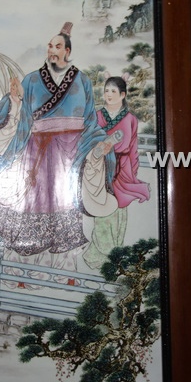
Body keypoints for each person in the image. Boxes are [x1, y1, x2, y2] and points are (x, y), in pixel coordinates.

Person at [0, 23, 116, 275]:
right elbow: (20, 117)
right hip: (35, 153)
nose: (52, 50)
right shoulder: (32, 80)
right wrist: (15, 100)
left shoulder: (82, 80)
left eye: (58, 46)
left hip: (69, 154)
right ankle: (23, 272)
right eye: (50, 46)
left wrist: (97, 146)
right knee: (32, 202)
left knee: (65, 203)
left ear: (67, 51)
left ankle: (64, 273)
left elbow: (90, 121)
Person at [83, 74, 151, 270]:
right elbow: (88, 139)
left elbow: (132, 148)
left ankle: (114, 254)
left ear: (122, 95)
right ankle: (99, 256)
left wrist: (132, 172)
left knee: (119, 212)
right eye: (106, 91)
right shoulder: (97, 116)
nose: (109, 94)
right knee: (102, 209)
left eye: (113, 91)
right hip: (102, 168)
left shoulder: (130, 119)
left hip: (122, 169)